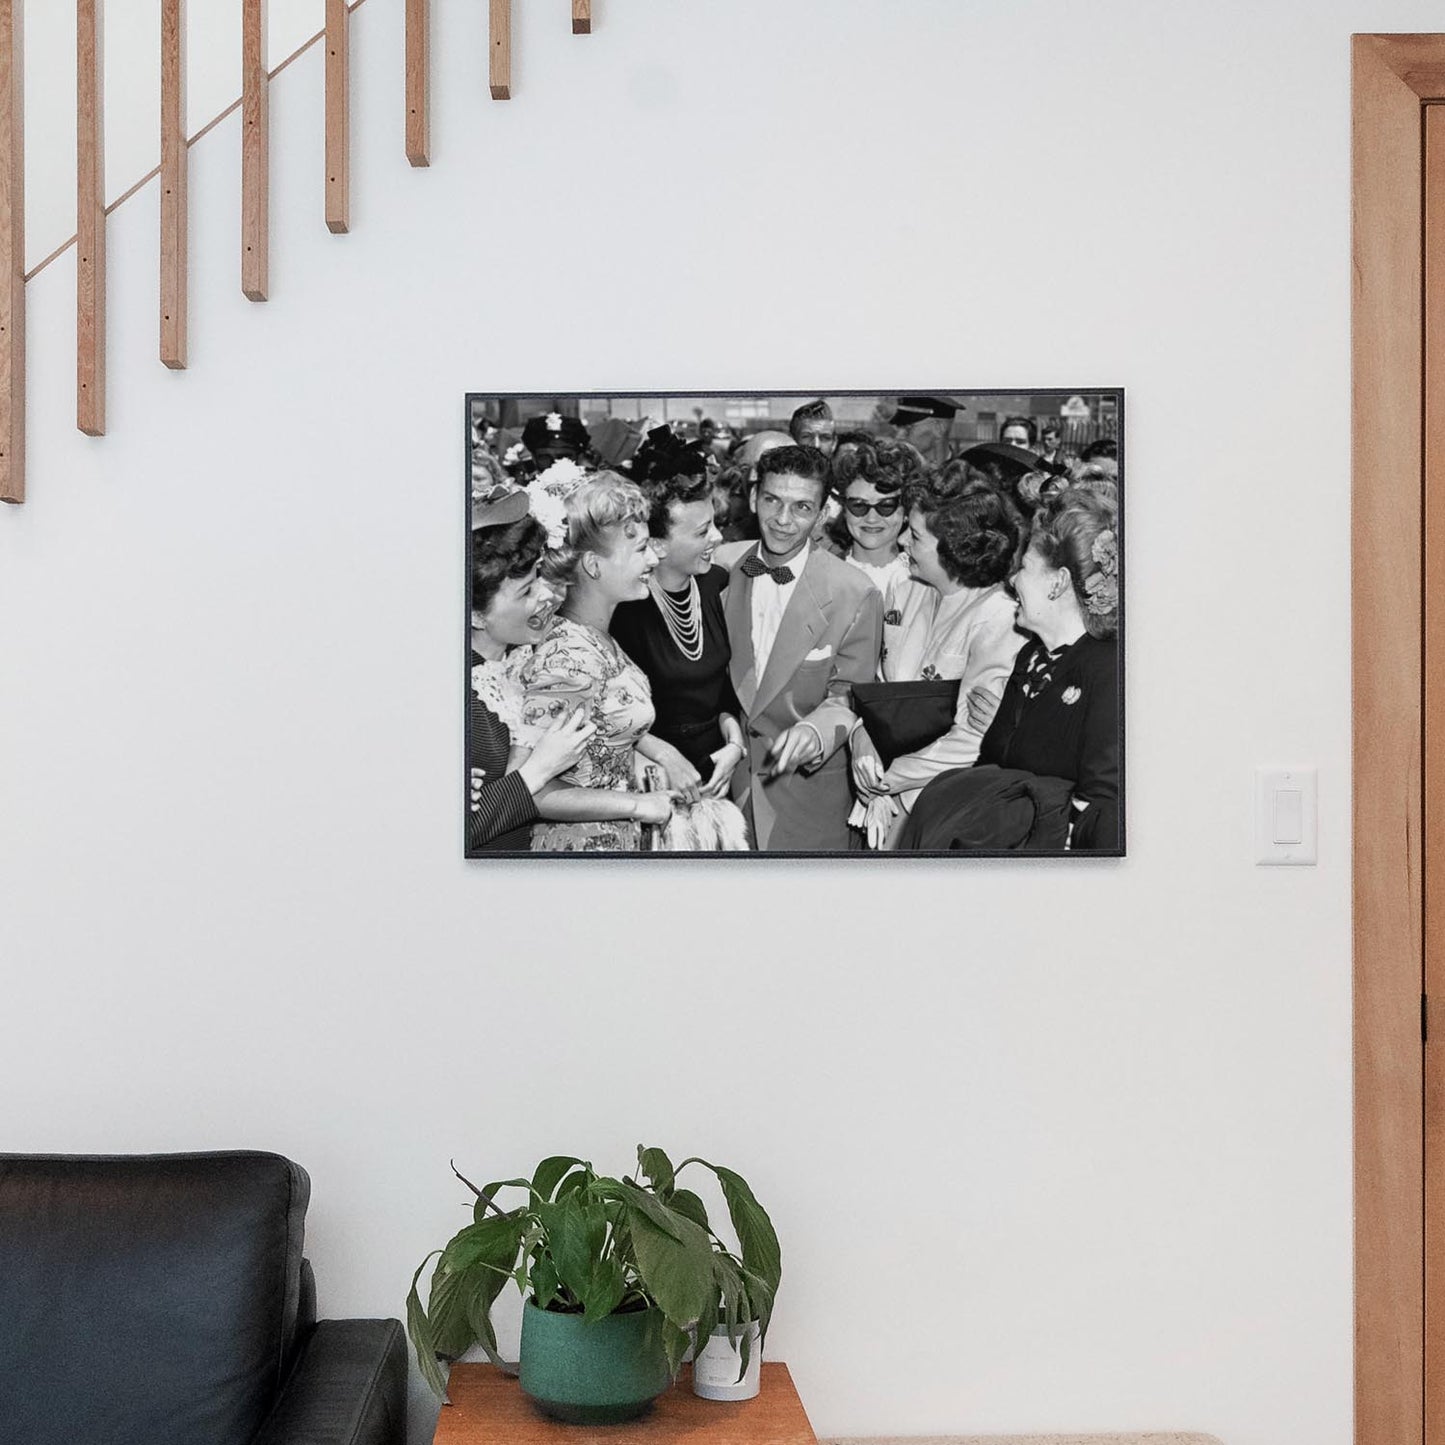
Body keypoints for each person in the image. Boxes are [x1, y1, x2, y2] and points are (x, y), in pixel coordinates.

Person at [901, 487, 1120, 851]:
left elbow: (1103, 808)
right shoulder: (1032, 657)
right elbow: (993, 768)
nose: (1012, 580)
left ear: (1058, 582)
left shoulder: (1108, 670)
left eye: (1025, 568)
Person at [520, 474, 691, 852]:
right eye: (641, 548)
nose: (655, 557)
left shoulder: (596, 638)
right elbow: (534, 790)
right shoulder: (568, 658)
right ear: (594, 566)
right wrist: (636, 804)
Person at [848, 485, 1025, 848]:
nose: (900, 542)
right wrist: (862, 740)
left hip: (940, 806)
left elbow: (972, 738)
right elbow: (879, 692)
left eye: (914, 536)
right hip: (878, 792)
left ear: (954, 549)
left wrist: (889, 779)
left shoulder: (999, 618)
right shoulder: (905, 585)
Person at [724, 445, 883, 850]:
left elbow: (850, 692)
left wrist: (817, 731)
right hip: (728, 794)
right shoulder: (721, 572)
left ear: (824, 511)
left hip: (810, 803)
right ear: (754, 495)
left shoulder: (855, 592)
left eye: (801, 507)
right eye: (772, 501)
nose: (782, 520)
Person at [612, 436, 747, 801]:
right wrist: (664, 756)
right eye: (702, 532)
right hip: (650, 780)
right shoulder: (626, 607)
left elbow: (726, 693)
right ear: (656, 544)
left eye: (715, 524)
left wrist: (734, 744)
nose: (718, 538)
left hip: (717, 774)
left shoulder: (719, 583)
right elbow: (605, 712)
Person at [467, 489, 597, 852]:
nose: (545, 596)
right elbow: (458, 835)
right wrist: (539, 768)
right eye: (526, 592)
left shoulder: (527, 658)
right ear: (476, 614)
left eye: (539, 578)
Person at [823, 437, 925, 602]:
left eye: (886, 506)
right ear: (844, 508)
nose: (871, 518)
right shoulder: (821, 574)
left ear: (906, 509)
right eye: (858, 505)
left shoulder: (925, 582)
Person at [890, 395, 960, 468]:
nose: (898, 436)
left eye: (908, 428)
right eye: (898, 428)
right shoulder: (892, 472)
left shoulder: (965, 474)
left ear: (939, 429)